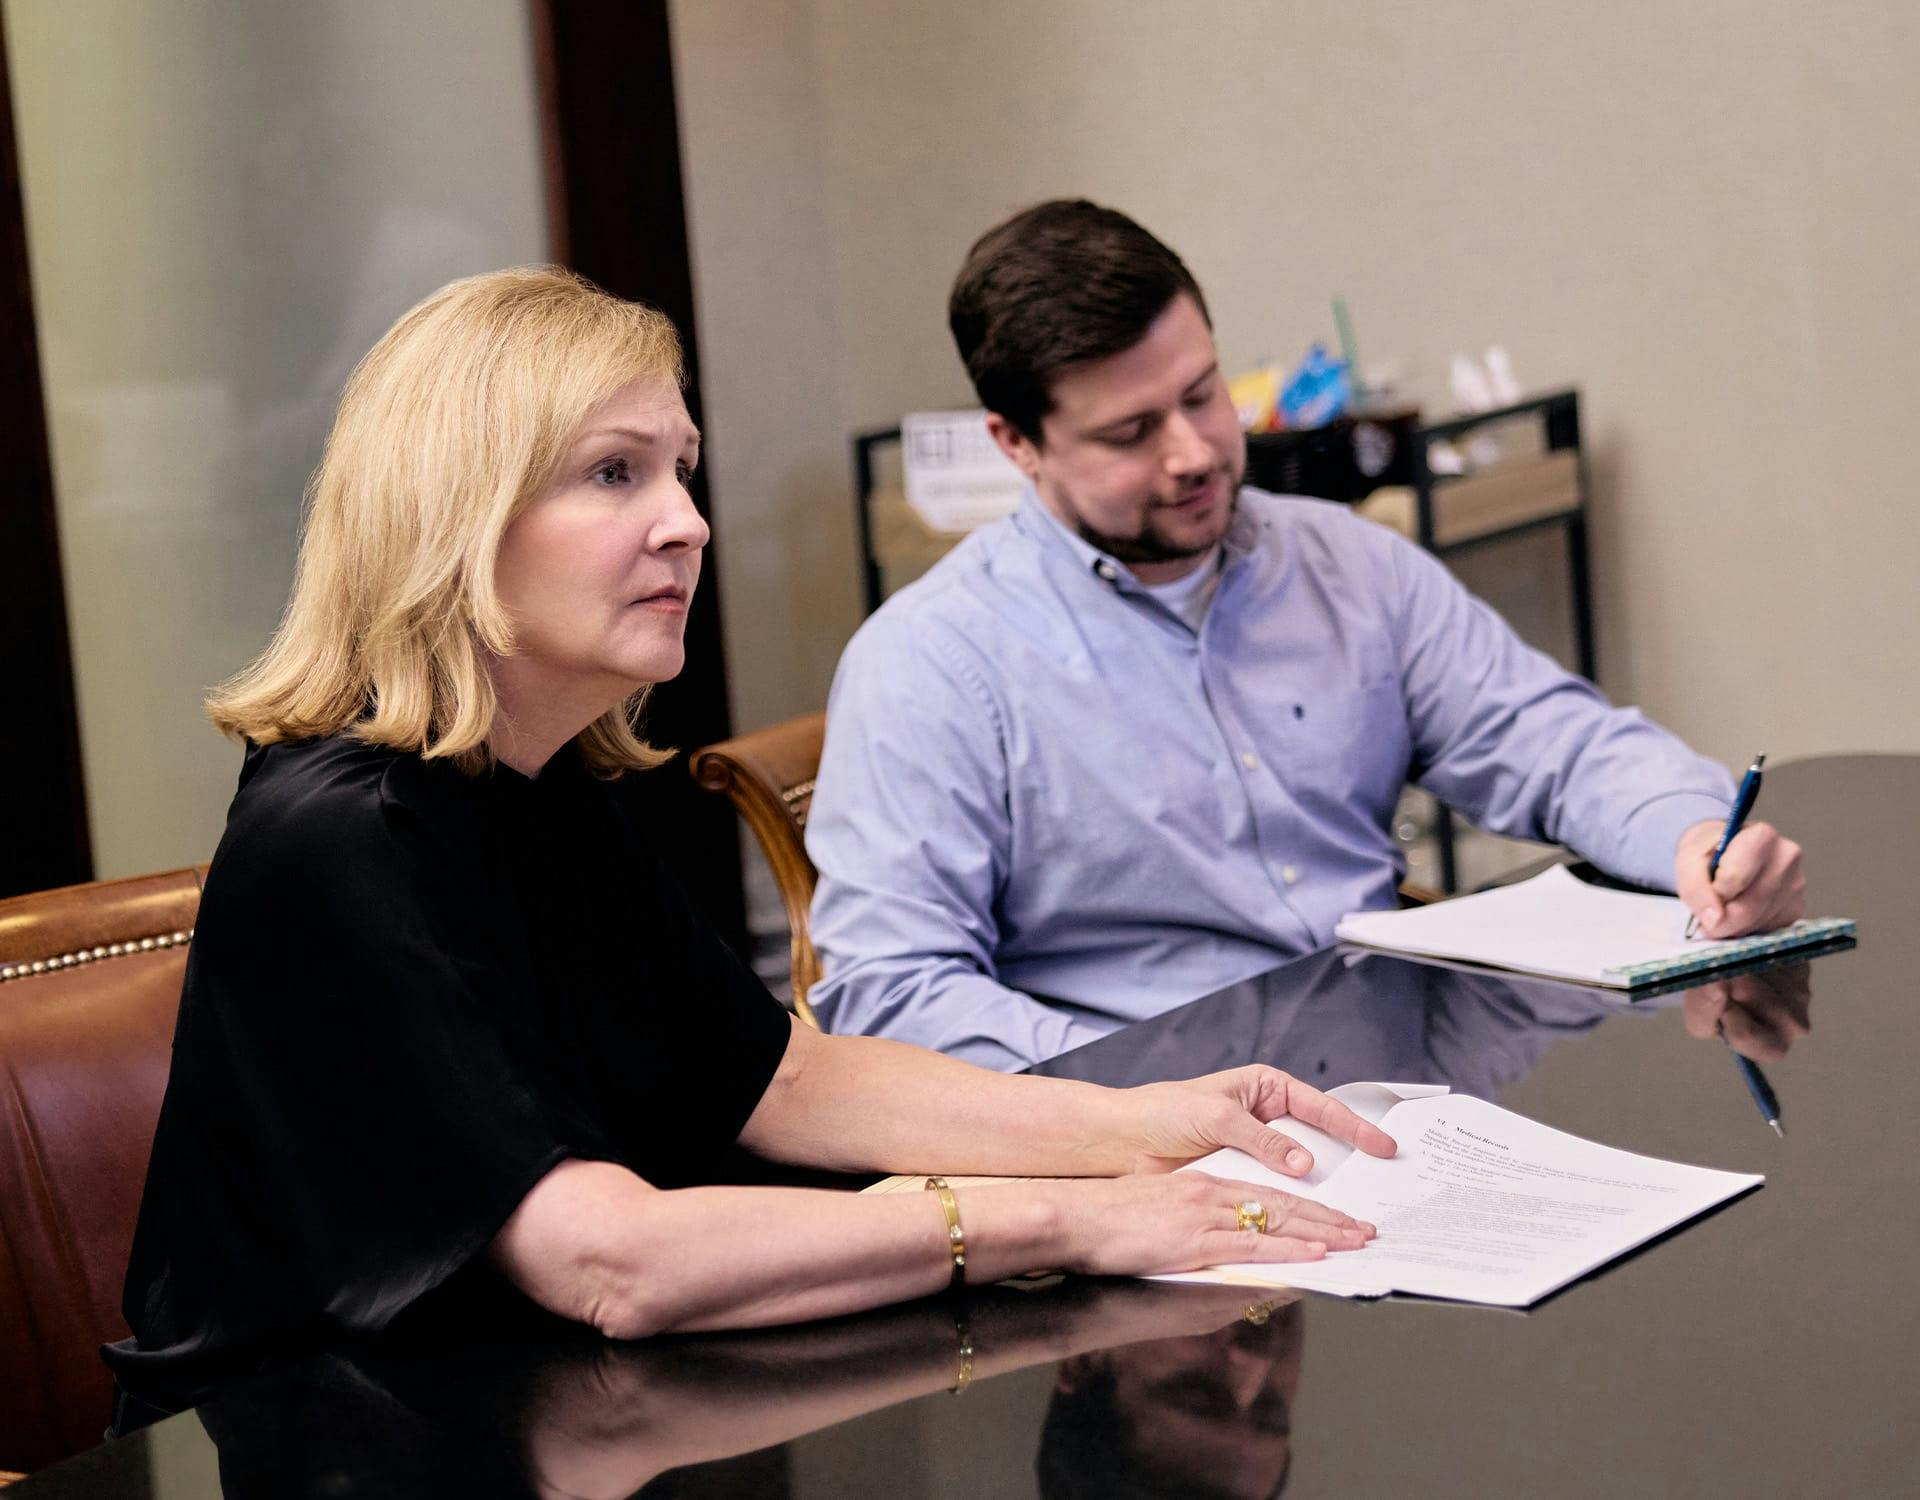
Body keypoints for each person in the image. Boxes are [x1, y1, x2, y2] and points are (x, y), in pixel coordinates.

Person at [103, 267, 1397, 1417]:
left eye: (681, 470)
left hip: (565, 1409)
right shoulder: (339, 837)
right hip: (329, 1442)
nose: (687, 521)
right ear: (458, 518)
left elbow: (782, 1083)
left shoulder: (540, 782)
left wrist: (1138, 1121)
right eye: (617, 473)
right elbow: (612, 1261)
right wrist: (1072, 1216)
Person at [806, 199, 1807, 1069]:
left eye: (1203, 395)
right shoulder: (932, 665)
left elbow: (1556, 741)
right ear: (1015, 443)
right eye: (1130, 432)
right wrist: (1122, 1087)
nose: (1193, 453)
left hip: (1398, 1088)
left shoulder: (1347, 567)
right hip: (1147, 1152)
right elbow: (891, 991)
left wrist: (1696, 837)